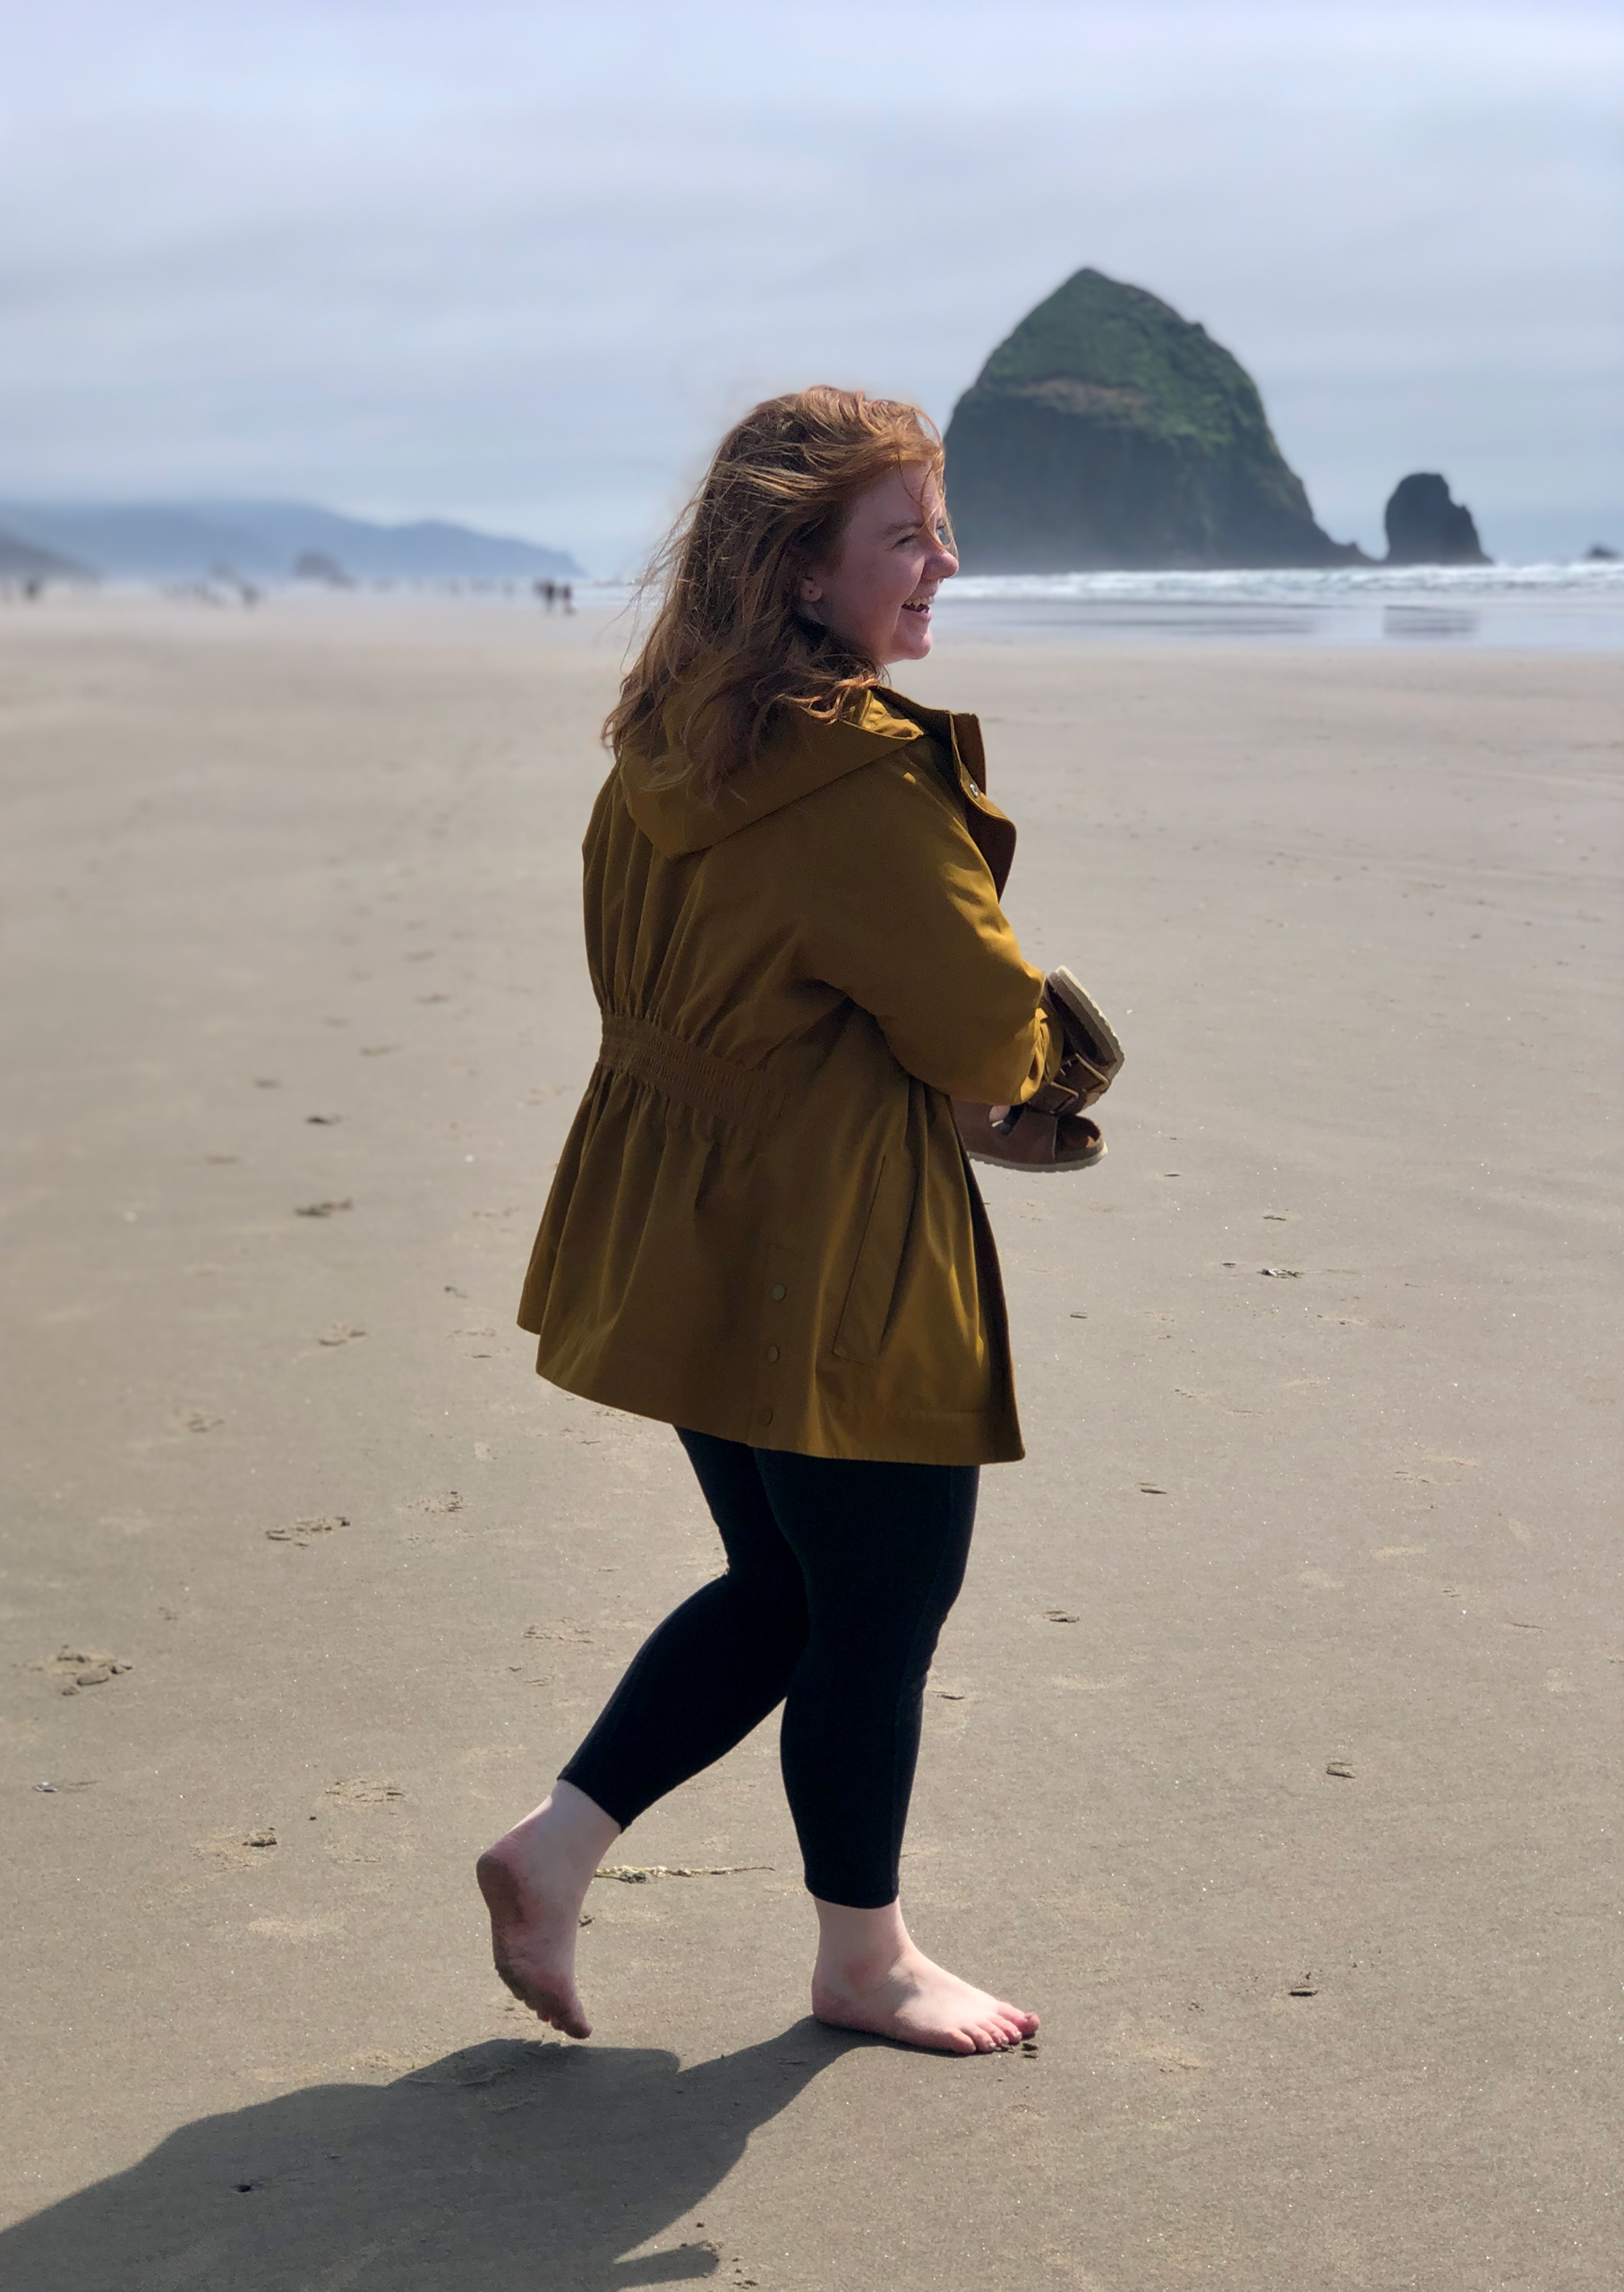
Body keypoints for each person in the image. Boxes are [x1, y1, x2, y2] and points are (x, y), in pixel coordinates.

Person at [479, 387, 1076, 2057]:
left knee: (787, 1583)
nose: (943, 562)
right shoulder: (856, 780)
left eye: (940, 529)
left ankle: (555, 1850)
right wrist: (1040, 1059)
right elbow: (973, 1027)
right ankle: (863, 1960)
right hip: (833, 1240)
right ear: (802, 572)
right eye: (905, 537)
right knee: (878, 1602)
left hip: (678, 1208)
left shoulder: (667, 740)